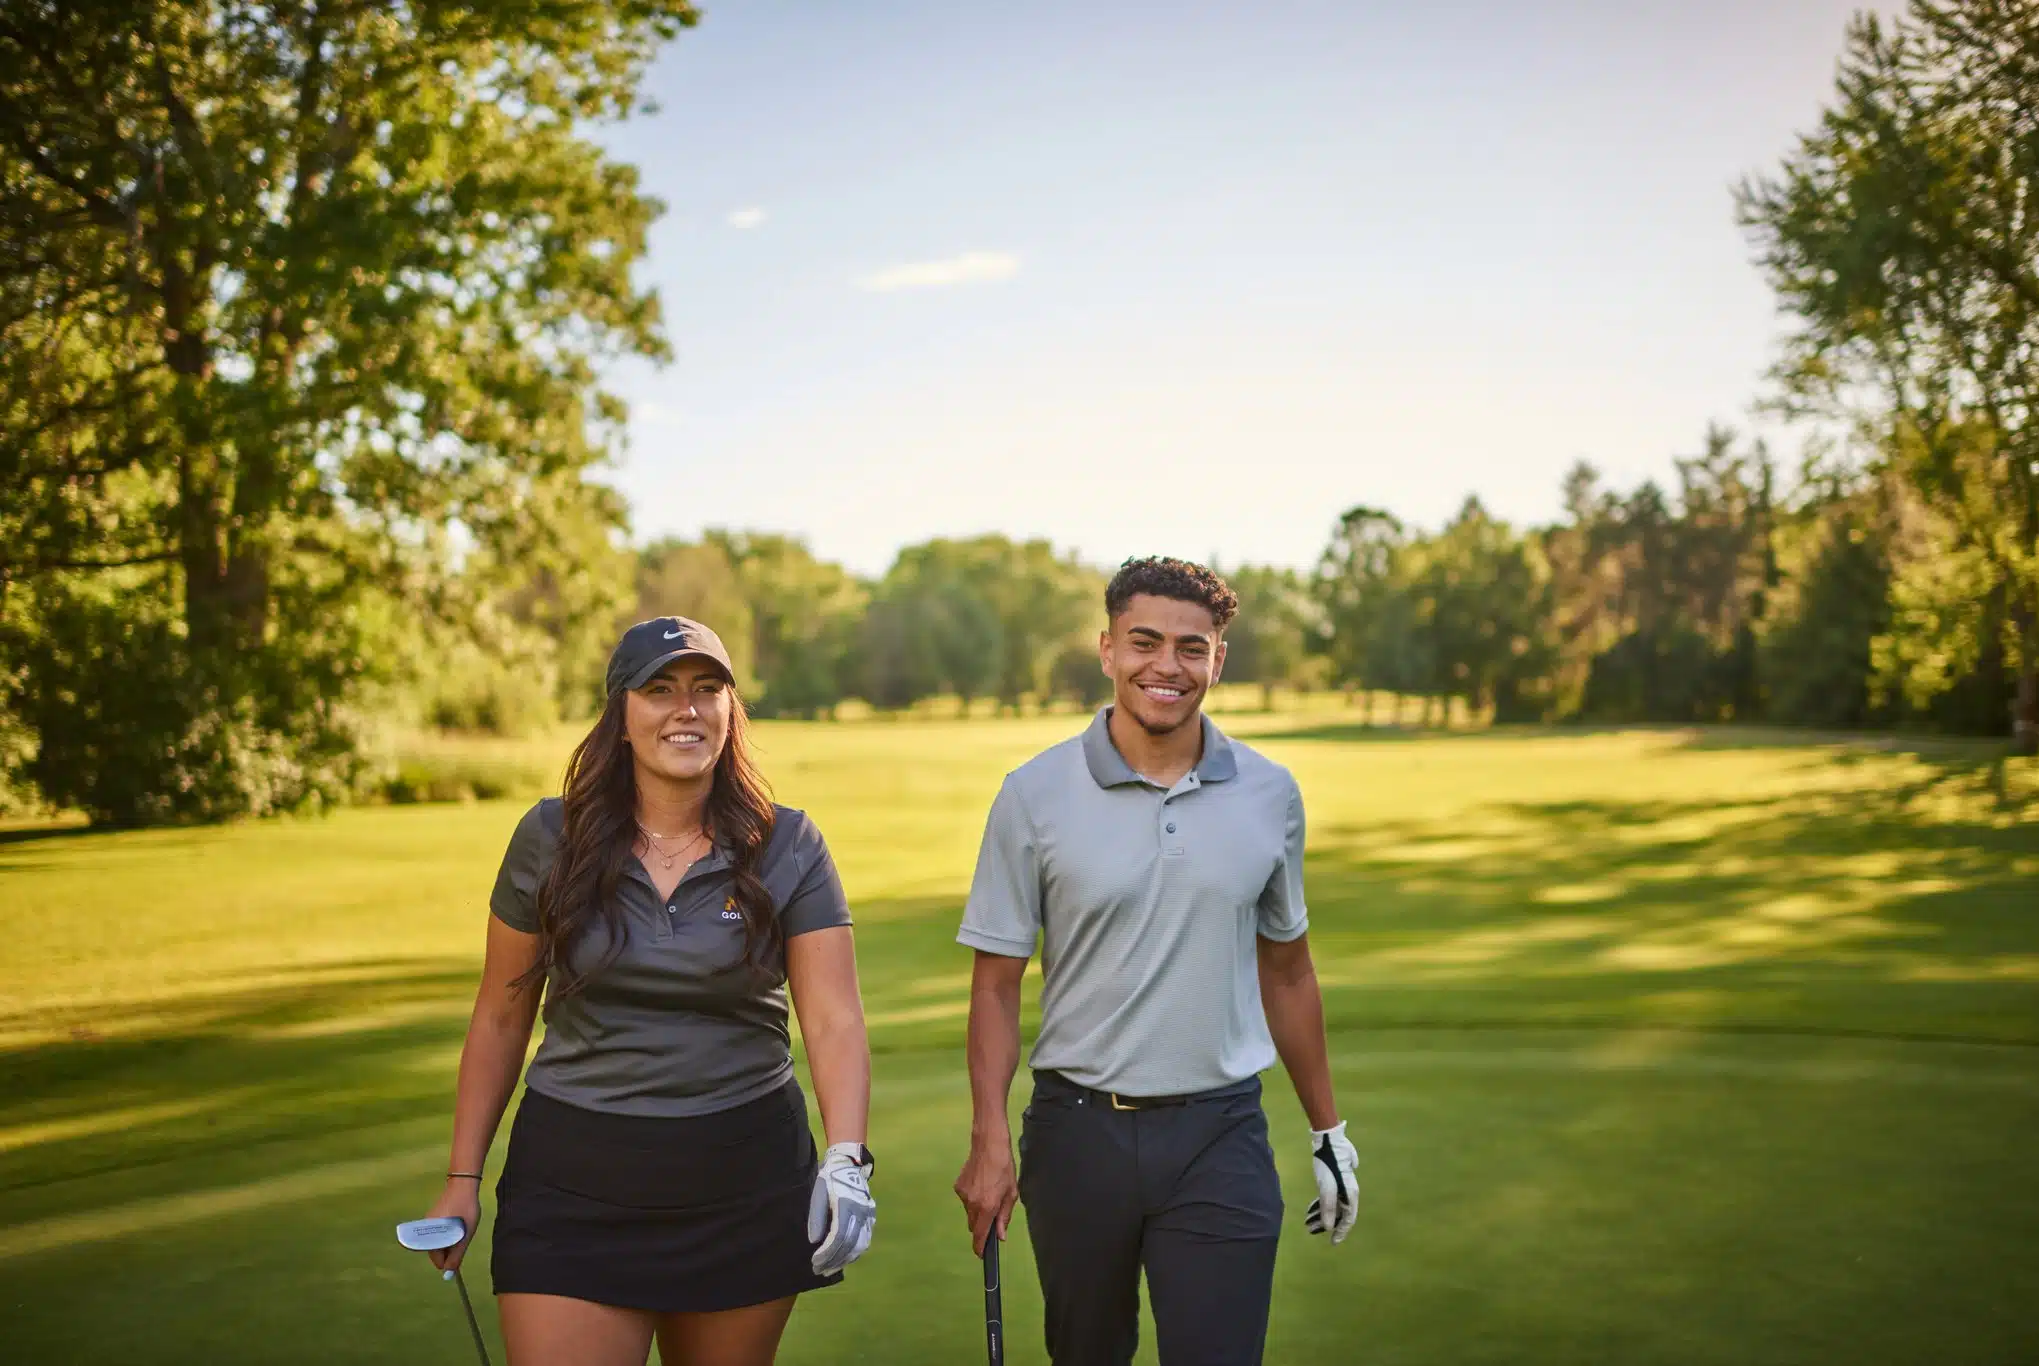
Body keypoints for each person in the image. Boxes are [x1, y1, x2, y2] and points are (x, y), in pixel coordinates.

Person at [417, 616, 875, 1366]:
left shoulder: (788, 843)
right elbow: (501, 1016)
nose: (685, 710)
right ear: (620, 717)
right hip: (571, 1188)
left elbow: (832, 1018)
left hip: (743, 1184)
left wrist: (848, 1158)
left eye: (706, 690)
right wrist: (462, 1180)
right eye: (659, 690)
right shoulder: (549, 838)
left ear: (731, 713)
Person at [952, 557, 1360, 1366]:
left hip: (1221, 1131)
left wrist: (1327, 1130)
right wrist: (989, 1137)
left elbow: (1288, 970)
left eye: (1191, 647)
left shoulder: (1270, 793)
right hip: (1076, 1134)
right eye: (1144, 642)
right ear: (1107, 650)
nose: (1166, 667)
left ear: (1219, 659)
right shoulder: (1032, 794)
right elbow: (996, 985)